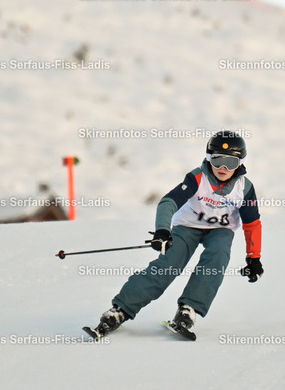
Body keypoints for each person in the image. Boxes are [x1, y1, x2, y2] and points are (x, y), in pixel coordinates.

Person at [88, 130, 263, 338]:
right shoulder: (198, 178)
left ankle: (189, 309)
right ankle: (121, 310)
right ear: (209, 158)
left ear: (240, 164)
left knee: (218, 254)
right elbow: (168, 202)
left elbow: (252, 224)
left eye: (230, 163)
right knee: (169, 264)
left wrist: (254, 258)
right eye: (217, 160)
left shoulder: (244, 188)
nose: (223, 168)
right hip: (188, 226)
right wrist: (163, 230)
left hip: (220, 230)